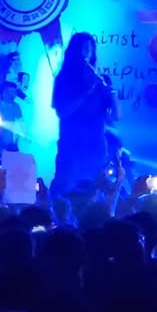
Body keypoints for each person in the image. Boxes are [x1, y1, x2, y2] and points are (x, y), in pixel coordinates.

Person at [52, 32, 118, 195]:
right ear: (73, 52)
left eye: (89, 49)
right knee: (66, 191)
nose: (86, 54)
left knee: (96, 191)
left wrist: (111, 94)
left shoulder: (101, 79)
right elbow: (63, 112)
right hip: (71, 145)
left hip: (96, 145)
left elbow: (114, 117)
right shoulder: (63, 79)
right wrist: (87, 91)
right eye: (82, 49)